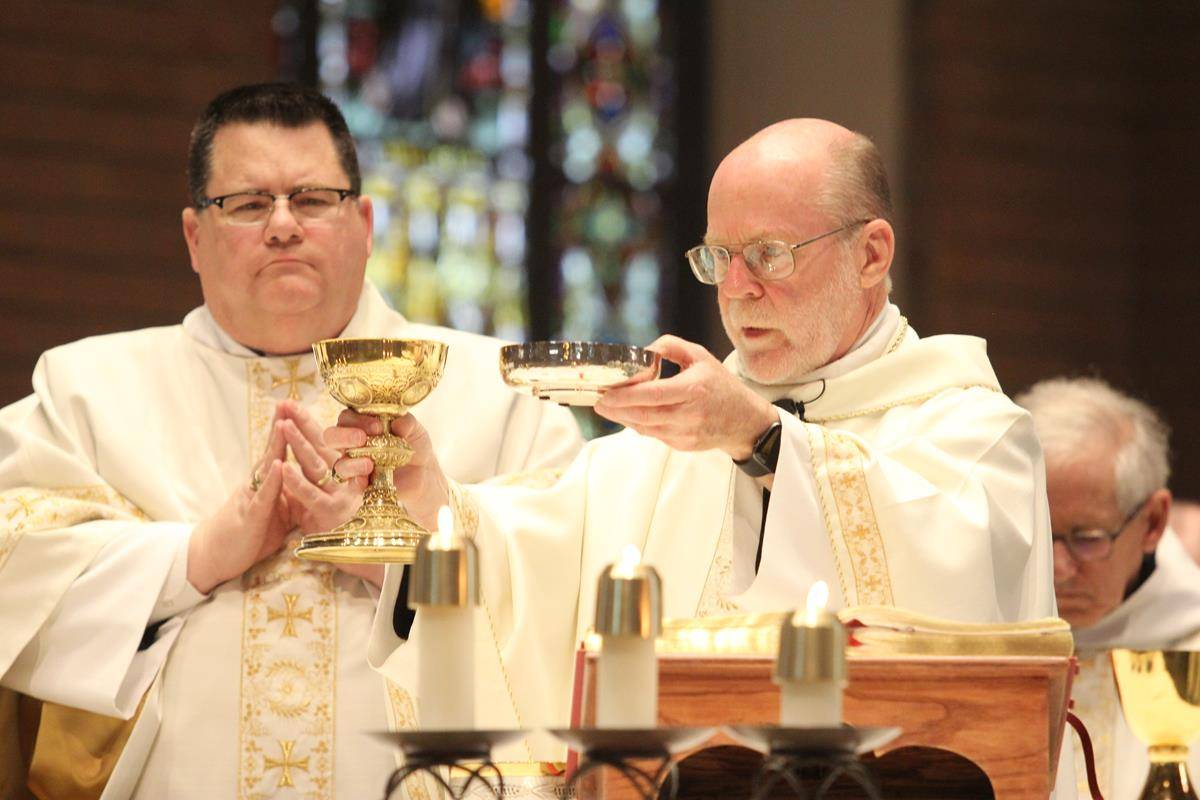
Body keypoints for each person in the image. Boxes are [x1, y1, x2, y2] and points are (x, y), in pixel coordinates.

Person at [338, 119, 1059, 760]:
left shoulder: (973, 430)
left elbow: (957, 597)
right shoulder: (677, 436)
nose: (737, 289)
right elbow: (537, 562)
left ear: (871, 254)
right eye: (718, 258)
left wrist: (758, 437)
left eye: (769, 254)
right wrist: (427, 505)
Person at [0, 83, 583, 799]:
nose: (282, 225)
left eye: (312, 199)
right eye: (247, 204)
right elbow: (17, 571)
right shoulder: (86, 391)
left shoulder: (499, 396)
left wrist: (400, 560)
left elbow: (572, 582)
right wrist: (199, 555)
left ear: (364, 223)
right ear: (193, 236)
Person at [1018, 377, 1200, 800]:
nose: (1058, 569)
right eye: (1039, 534)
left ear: (1153, 522)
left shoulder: (1192, 643)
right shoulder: (981, 635)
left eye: (1087, 538)